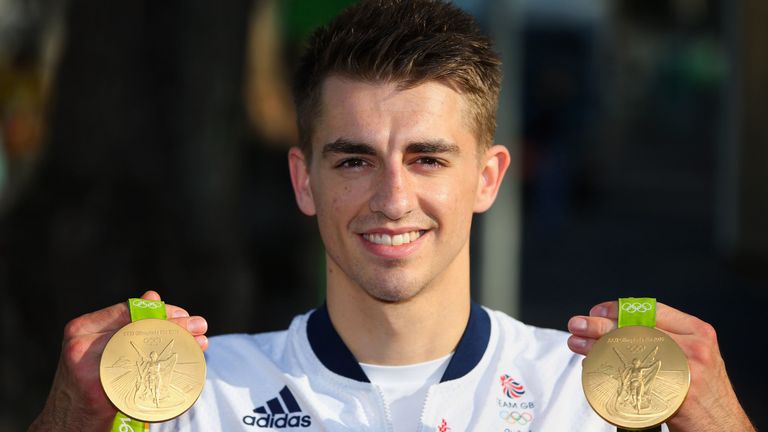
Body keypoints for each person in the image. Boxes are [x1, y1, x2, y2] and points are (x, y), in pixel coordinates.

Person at [30, 1, 755, 431]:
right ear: (303, 180)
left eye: (427, 159)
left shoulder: (595, 397)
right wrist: (68, 420)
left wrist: (721, 418)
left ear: (487, 177)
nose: (393, 198)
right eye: (354, 161)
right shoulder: (193, 396)